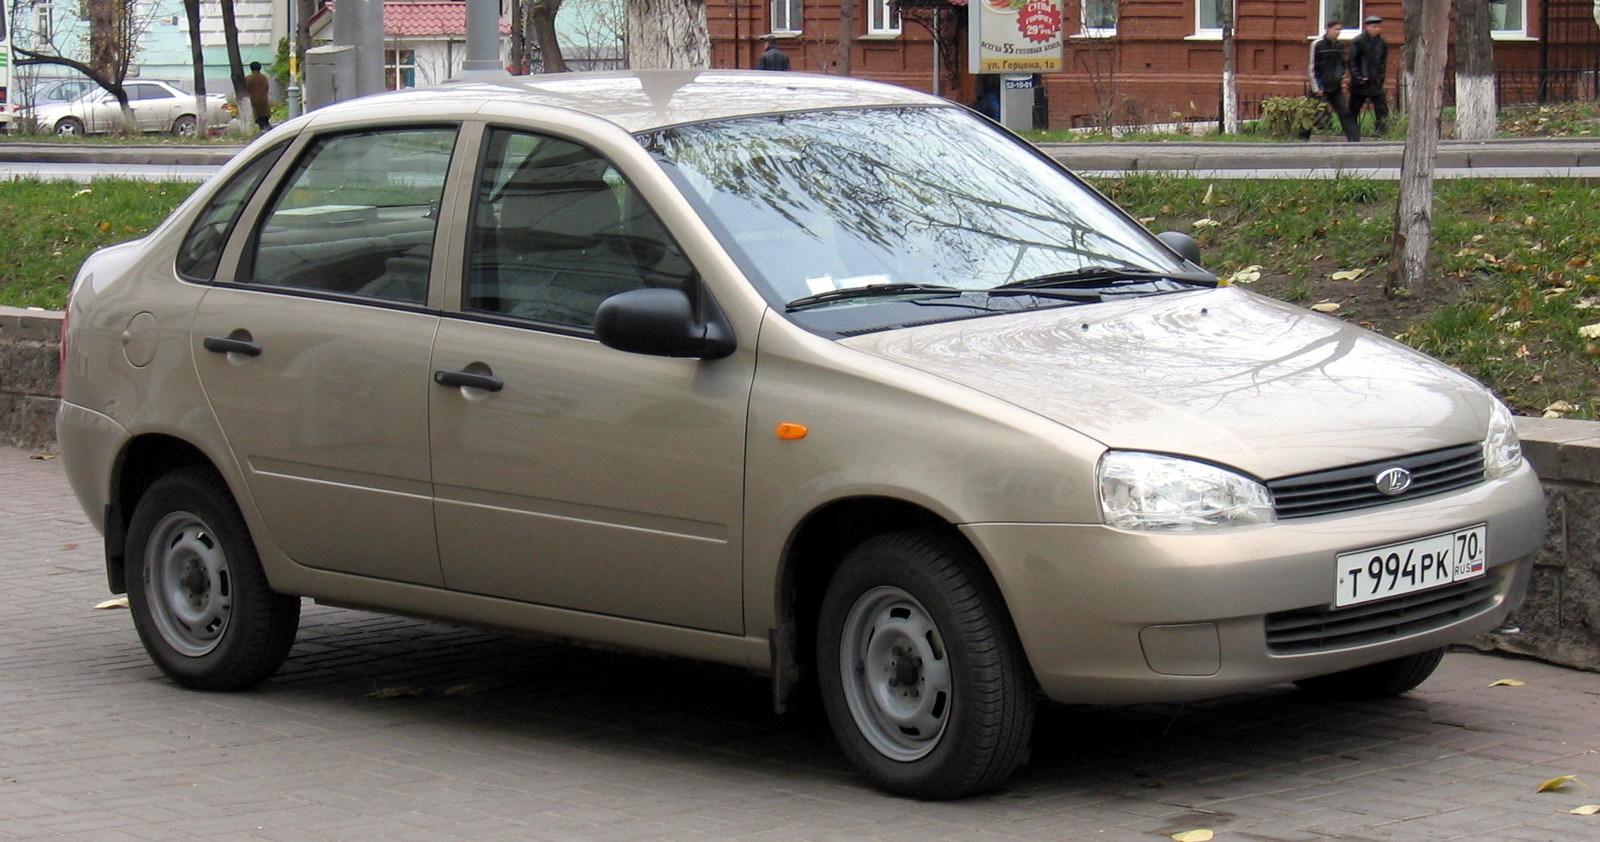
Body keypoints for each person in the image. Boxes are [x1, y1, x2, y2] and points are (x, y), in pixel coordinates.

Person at [1309, 20, 1359, 142]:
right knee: (1311, 113)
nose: (1338, 32)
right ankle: (1302, 136)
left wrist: (1341, 78)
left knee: (1344, 111)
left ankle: (1354, 138)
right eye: (1336, 29)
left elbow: (1341, 64)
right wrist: (1316, 87)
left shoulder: (1339, 45)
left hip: (1335, 87)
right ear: (1328, 29)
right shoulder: (1317, 44)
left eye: (1340, 30)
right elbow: (1311, 67)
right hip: (1321, 86)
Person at [1348, 15, 1390, 137]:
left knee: (1381, 108)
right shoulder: (1358, 41)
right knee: (1354, 108)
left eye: (1378, 27)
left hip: (1375, 81)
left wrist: (1380, 78)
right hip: (1360, 82)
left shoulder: (1382, 43)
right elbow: (1353, 61)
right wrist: (1358, 77)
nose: (1377, 29)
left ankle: (1381, 131)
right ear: (1367, 27)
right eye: (1374, 26)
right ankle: (1351, 131)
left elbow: (1382, 63)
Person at [245, 61, 272, 131]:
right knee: (265, 118)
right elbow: (266, 88)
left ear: (251, 68)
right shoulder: (264, 78)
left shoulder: (248, 78)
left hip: (253, 100)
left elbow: (246, 89)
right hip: (263, 100)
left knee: (257, 118)